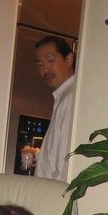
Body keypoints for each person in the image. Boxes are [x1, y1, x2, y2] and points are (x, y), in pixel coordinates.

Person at [31, 36, 76, 181]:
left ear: (69, 59)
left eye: (50, 60)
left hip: (55, 191)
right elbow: (53, 158)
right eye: (40, 64)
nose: (45, 69)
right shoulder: (63, 97)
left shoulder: (71, 97)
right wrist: (38, 155)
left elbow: (64, 161)